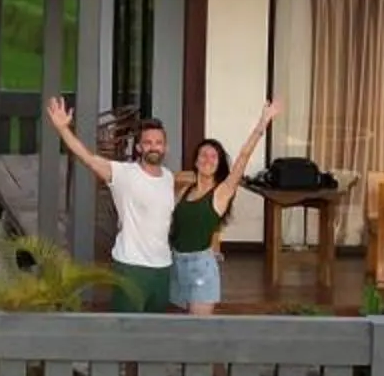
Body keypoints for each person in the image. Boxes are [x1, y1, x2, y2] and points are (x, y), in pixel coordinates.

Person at [43, 94, 175, 319]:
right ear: (139, 148)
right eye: (148, 143)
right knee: (124, 334)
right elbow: (88, 158)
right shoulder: (124, 174)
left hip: (162, 268)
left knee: (155, 336)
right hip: (132, 267)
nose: (154, 147)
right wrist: (64, 129)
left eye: (158, 143)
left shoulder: (169, 178)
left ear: (166, 148)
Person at [170, 97, 282, 313]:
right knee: (181, 330)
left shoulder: (222, 192)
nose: (207, 159)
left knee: (198, 331)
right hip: (176, 264)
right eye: (203, 154)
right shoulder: (185, 190)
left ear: (219, 164)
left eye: (214, 157)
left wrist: (263, 123)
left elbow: (243, 156)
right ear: (195, 160)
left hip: (200, 268)